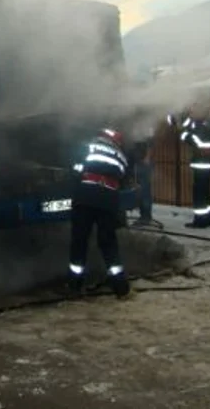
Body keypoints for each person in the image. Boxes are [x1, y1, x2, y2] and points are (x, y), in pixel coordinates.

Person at [67, 128, 132, 298]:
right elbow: (123, 178)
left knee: (80, 240)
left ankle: (75, 285)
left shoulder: (88, 146)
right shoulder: (121, 156)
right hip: (108, 200)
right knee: (108, 242)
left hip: (86, 197)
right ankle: (120, 287)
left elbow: (75, 169)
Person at [170, 104, 210, 229]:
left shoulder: (203, 125)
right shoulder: (208, 122)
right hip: (207, 162)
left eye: (194, 110)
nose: (192, 112)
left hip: (202, 163)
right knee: (206, 191)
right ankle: (208, 218)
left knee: (199, 192)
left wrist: (183, 133)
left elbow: (194, 139)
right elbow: (181, 123)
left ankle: (200, 220)